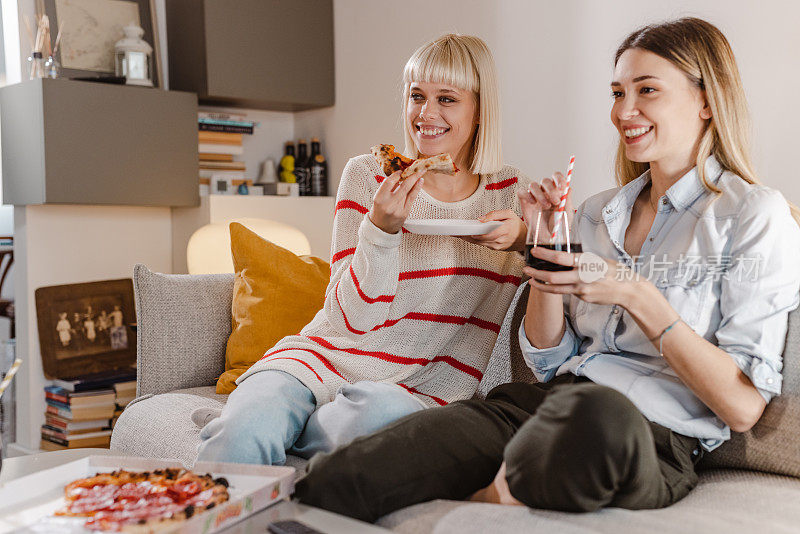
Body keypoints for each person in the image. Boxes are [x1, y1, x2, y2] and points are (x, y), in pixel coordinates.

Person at [294, 18, 800, 521]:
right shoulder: (599, 211)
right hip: (546, 404)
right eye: (617, 92)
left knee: (598, 416)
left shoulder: (753, 215)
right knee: (346, 475)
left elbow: (742, 408)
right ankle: (504, 478)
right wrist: (543, 252)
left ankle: (493, 493)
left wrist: (633, 293)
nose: (625, 111)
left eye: (647, 90)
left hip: (649, 435)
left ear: (707, 101)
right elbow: (545, 358)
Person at [196, 34, 532, 466]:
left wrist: (526, 238)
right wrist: (380, 229)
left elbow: (569, 272)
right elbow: (350, 319)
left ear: (480, 109)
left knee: (373, 418)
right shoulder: (369, 175)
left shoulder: (510, 194)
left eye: (447, 98)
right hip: (321, 358)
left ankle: (288, 432)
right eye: (417, 96)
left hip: (414, 391)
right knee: (239, 439)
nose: (426, 114)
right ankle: (258, 424)